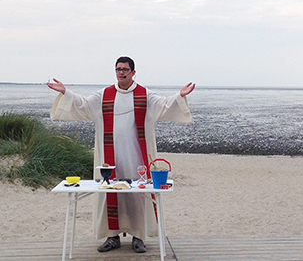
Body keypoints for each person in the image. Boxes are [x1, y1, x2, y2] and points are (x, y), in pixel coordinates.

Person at [47, 56, 195, 253]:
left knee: (138, 196)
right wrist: (66, 92)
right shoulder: (104, 95)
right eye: (118, 69)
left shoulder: (144, 95)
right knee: (109, 193)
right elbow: (82, 105)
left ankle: (138, 238)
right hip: (110, 159)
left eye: (125, 69)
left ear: (133, 72)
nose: (121, 72)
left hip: (137, 158)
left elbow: (164, 105)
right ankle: (112, 237)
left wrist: (179, 96)